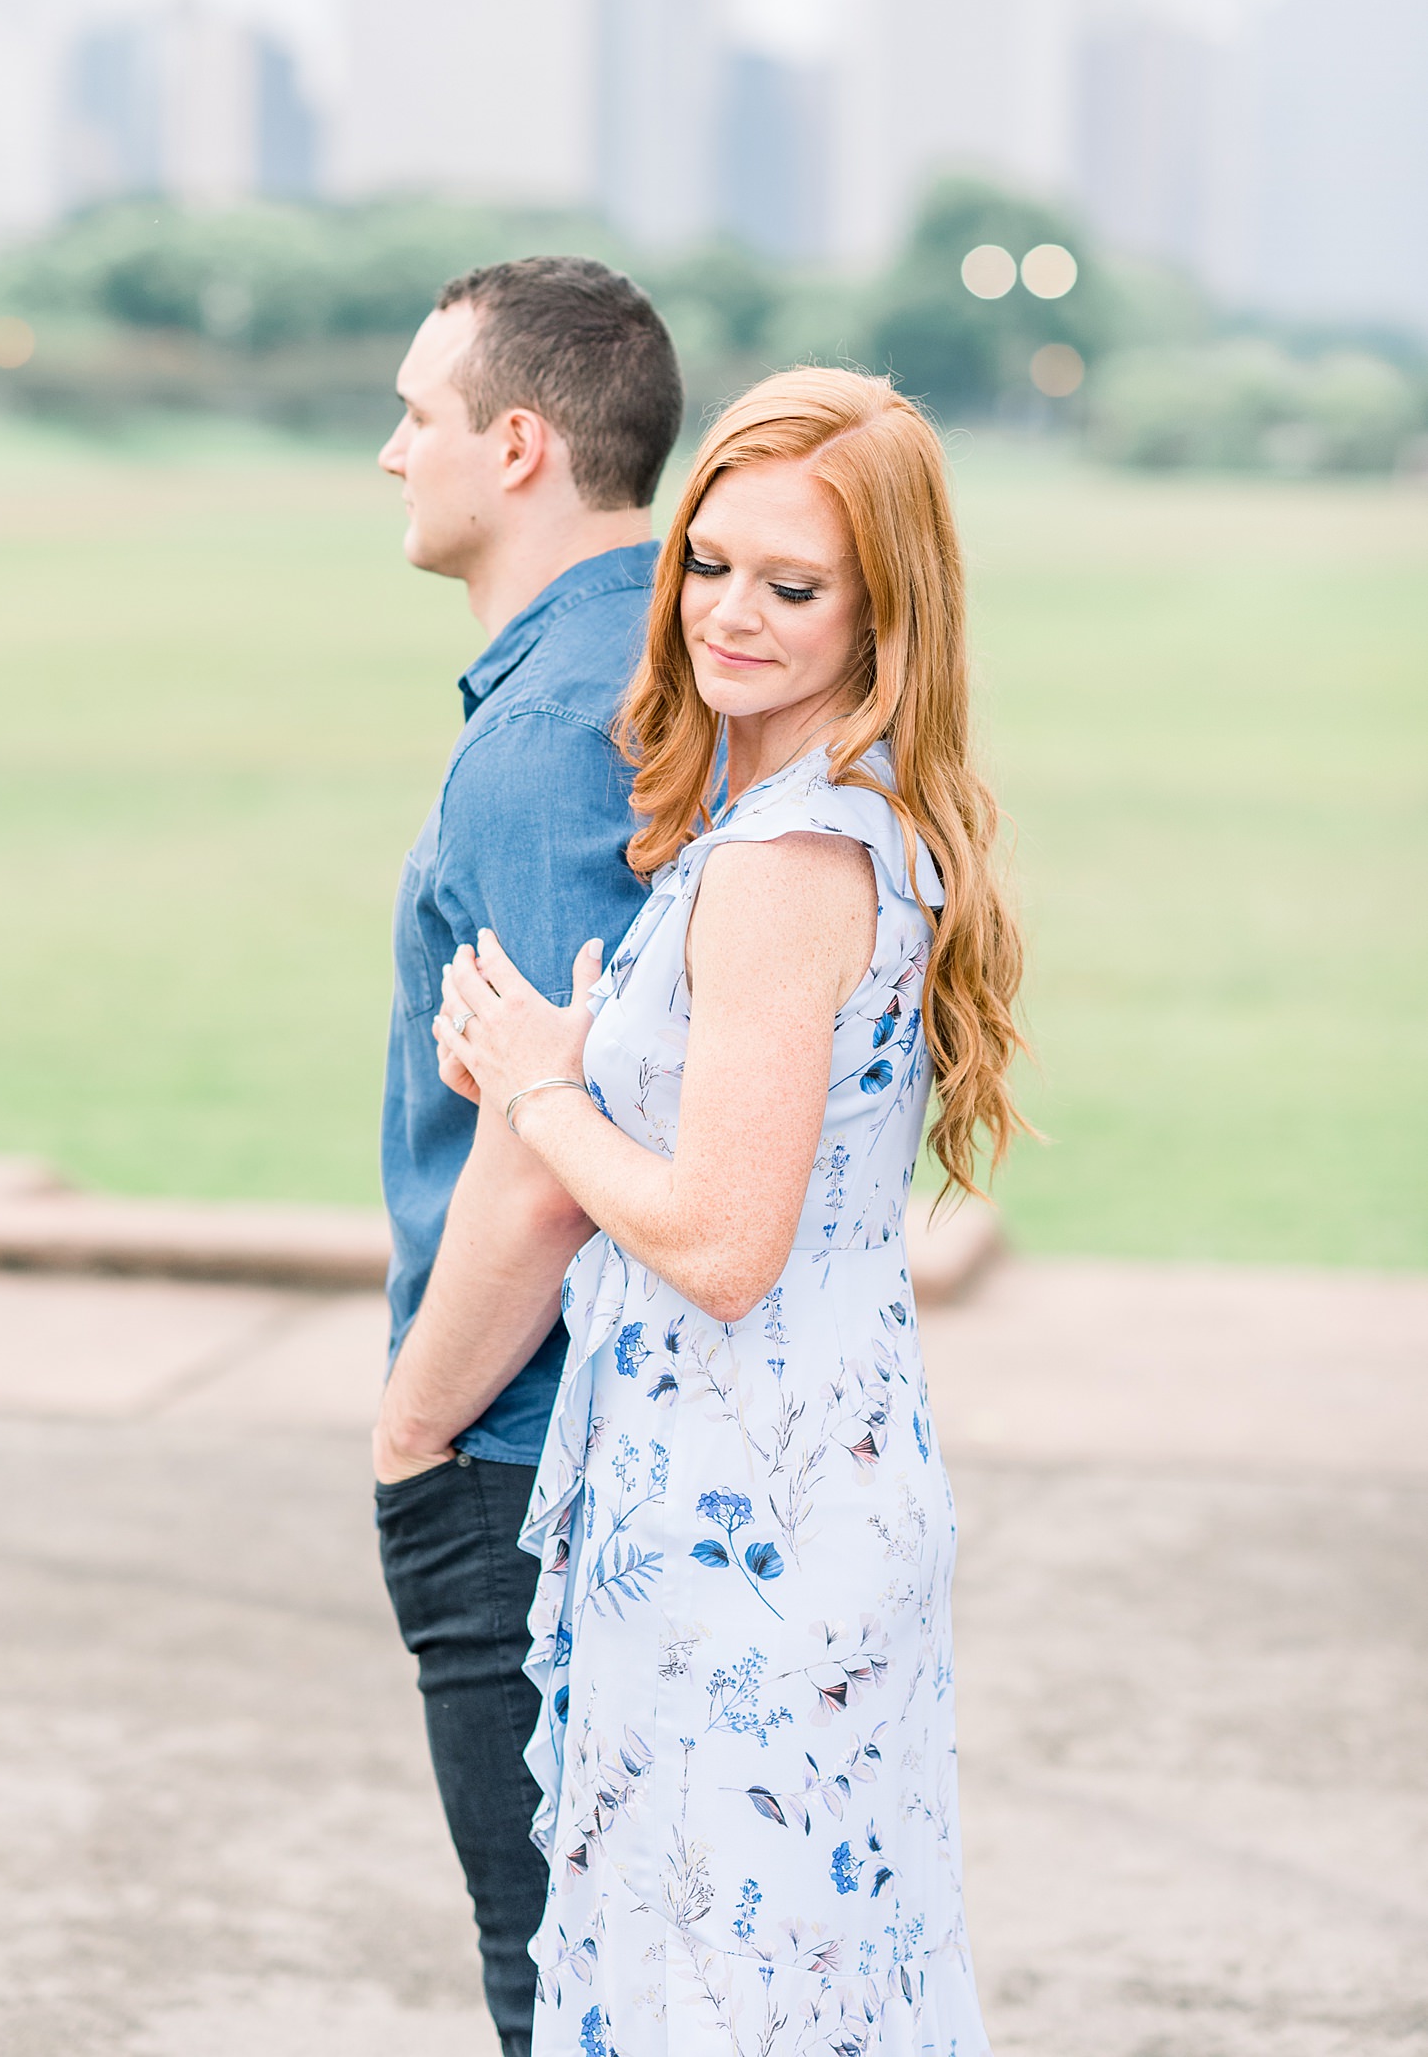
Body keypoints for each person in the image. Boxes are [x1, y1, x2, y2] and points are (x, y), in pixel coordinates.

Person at [434, 367, 1026, 2055]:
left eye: (793, 585)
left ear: (880, 610)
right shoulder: (827, 824)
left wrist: (549, 1091)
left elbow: (714, 1240)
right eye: (707, 563)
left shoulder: (783, 866)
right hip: (802, 1482)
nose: (728, 615)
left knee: (724, 2001)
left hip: (742, 1522)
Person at [371, 254, 684, 2057]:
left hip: (522, 1453)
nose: (386, 455)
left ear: (513, 444)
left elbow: (556, 1143)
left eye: (415, 418)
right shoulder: (643, 664)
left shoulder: (554, 734)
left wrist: (416, 1429)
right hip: (589, 1436)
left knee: (558, 1997)